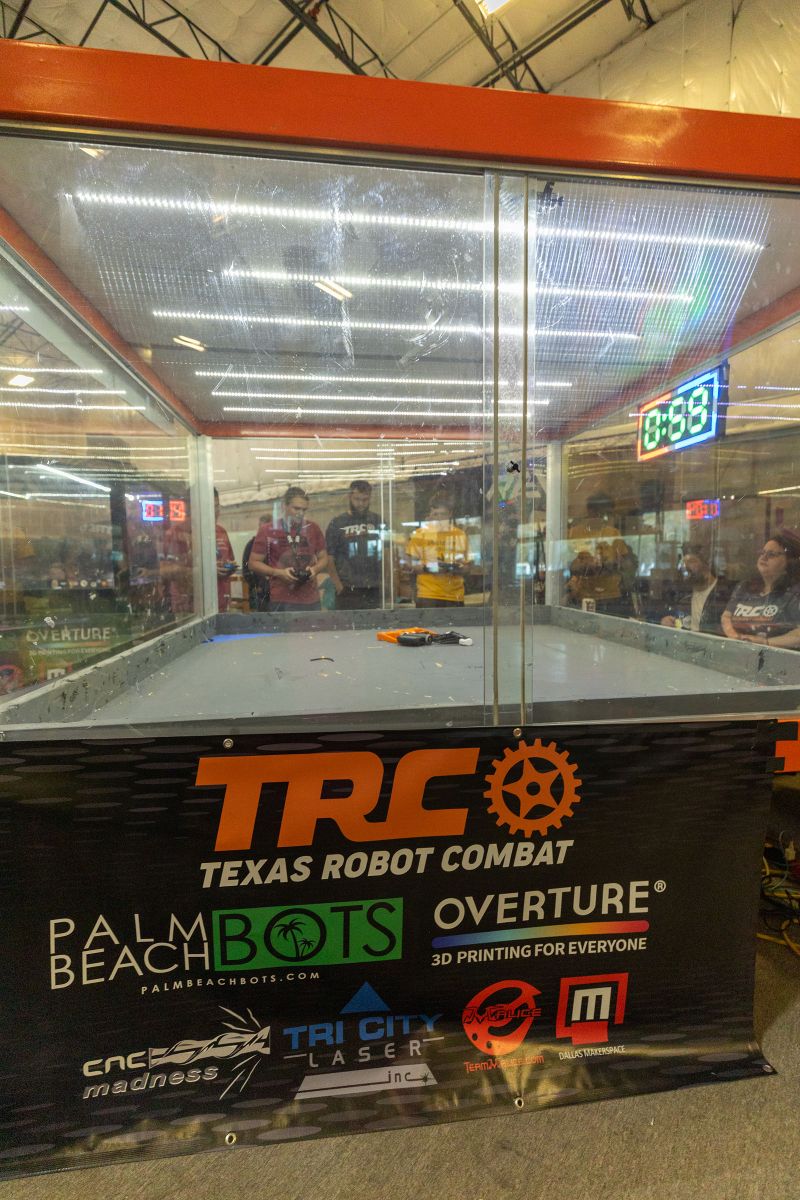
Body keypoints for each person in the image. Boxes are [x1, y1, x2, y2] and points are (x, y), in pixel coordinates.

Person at [248, 486, 328, 613]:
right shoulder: (268, 530)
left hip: (311, 599)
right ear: (284, 506)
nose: (300, 513)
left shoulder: (313, 528)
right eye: (296, 508)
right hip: (282, 598)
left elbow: (324, 558)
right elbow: (253, 563)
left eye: (304, 510)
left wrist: (314, 570)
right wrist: (278, 573)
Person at [722, 532, 800, 648]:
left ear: (790, 562)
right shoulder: (745, 586)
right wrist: (735, 637)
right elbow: (726, 617)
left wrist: (765, 643)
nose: (764, 557)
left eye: (771, 554)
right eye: (762, 553)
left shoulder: (794, 593)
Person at [565, 492, 636, 616]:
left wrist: (611, 564)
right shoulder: (574, 533)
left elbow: (626, 564)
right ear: (590, 511)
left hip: (610, 596)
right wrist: (584, 565)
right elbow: (567, 565)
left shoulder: (613, 533)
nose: (604, 518)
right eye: (601, 513)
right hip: (583, 595)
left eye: (607, 514)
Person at [325, 480, 384, 610]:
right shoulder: (337, 523)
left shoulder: (377, 521)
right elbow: (329, 558)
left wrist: (387, 583)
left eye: (365, 500)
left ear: (370, 498)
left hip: (373, 587)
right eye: (357, 499)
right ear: (349, 497)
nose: (361, 504)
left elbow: (387, 554)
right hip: (347, 588)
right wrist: (339, 586)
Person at [405, 494, 470, 608]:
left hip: (454, 596)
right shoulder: (420, 534)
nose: (439, 518)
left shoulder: (460, 535)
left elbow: (467, 568)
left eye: (443, 514)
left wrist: (452, 568)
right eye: (435, 514)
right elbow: (409, 565)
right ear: (430, 513)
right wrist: (430, 568)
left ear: (450, 513)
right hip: (427, 595)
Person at [659, 546, 730, 635]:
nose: (686, 566)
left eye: (692, 562)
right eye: (684, 565)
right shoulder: (684, 595)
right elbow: (678, 619)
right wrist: (667, 620)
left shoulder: (725, 593)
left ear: (706, 564)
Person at [242, 515, 271, 613]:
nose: (264, 532)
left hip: (276, 592)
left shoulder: (276, 544)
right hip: (259, 593)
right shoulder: (251, 545)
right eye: (262, 528)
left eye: (267, 529)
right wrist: (256, 586)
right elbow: (246, 570)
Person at [214, 488, 236, 613]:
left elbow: (230, 559)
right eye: (210, 507)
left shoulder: (221, 532)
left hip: (222, 600)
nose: (215, 512)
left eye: (217, 507)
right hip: (195, 608)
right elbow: (172, 571)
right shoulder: (184, 532)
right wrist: (207, 572)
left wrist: (229, 566)